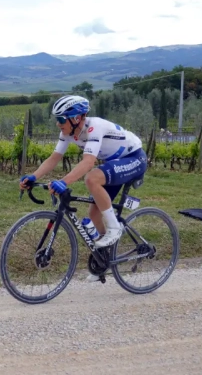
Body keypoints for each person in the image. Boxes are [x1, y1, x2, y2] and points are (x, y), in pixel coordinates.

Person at [19, 95, 147, 278]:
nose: (58, 124)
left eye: (61, 119)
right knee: (94, 213)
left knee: (92, 178)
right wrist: (33, 176)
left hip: (134, 158)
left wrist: (63, 182)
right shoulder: (67, 133)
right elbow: (54, 158)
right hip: (115, 162)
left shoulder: (95, 127)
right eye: (57, 119)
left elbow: (88, 163)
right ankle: (105, 259)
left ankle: (114, 228)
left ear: (76, 118)